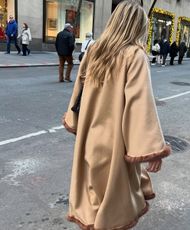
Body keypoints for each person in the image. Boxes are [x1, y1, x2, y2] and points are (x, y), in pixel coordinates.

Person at [62, 1, 171, 229]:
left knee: (91, 200)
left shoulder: (94, 49)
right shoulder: (134, 55)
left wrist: (75, 123)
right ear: (138, 26)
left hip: (89, 137)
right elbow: (140, 106)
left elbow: (77, 94)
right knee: (113, 208)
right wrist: (152, 150)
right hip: (114, 144)